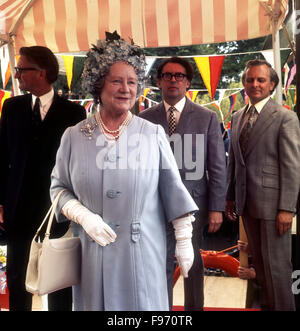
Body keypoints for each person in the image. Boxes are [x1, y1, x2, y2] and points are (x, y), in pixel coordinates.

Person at [50, 32, 198, 311]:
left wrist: (184, 238)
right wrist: (82, 216)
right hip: (93, 256)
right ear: (98, 83)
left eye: (132, 82)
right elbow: (59, 189)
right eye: (116, 81)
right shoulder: (74, 135)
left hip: (143, 254)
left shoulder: (151, 133)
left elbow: (173, 190)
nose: (126, 89)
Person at [0, 46, 86, 311]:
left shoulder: (74, 114)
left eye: (21, 69)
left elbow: (77, 164)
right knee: (17, 275)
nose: (17, 74)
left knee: (59, 278)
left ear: (42, 72)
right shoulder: (12, 108)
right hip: (17, 208)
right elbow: (2, 157)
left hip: (56, 208)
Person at [139, 57, 227, 311]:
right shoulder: (144, 118)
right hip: (154, 204)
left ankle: (193, 310)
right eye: (167, 75)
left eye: (179, 76)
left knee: (193, 261)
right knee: (160, 260)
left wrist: (216, 208)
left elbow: (218, 166)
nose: (173, 80)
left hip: (195, 202)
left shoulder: (207, 117)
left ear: (188, 82)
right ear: (158, 82)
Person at [226, 59, 300, 311]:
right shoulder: (237, 117)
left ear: (272, 85)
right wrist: (229, 197)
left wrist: (286, 209)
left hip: (274, 209)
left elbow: (291, 167)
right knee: (263, 271)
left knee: (278, 271)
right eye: (250, 80)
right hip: (246, 205)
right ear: (244, 83)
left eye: (261, 80)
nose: (254, 84)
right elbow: (234, 162)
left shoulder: (285, 118)